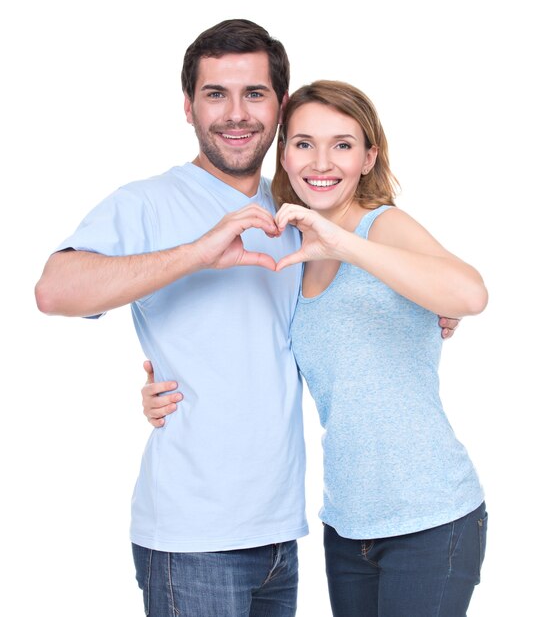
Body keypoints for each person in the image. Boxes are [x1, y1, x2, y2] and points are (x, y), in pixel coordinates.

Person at [142, 80, 487, 617]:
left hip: (431, 514)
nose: (321, 161)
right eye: (303, 143)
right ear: (283, 153)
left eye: (343, 145)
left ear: (369, 156)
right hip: (347, 522)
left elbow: (470, 293)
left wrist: (342, 241)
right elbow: (249, 344)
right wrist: (161, 388)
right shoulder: (288, 248)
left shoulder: (383, 225)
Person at [35, 19, 305, 617]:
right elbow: (55, 290)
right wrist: (196, 254)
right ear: (188, 107)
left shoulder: (296, 210)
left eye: (254, 93)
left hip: (282, 528)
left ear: (280, 104)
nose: (236, 114)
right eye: (216, 94)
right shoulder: (147, 202)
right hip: (192, 538)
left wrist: (434, 312)